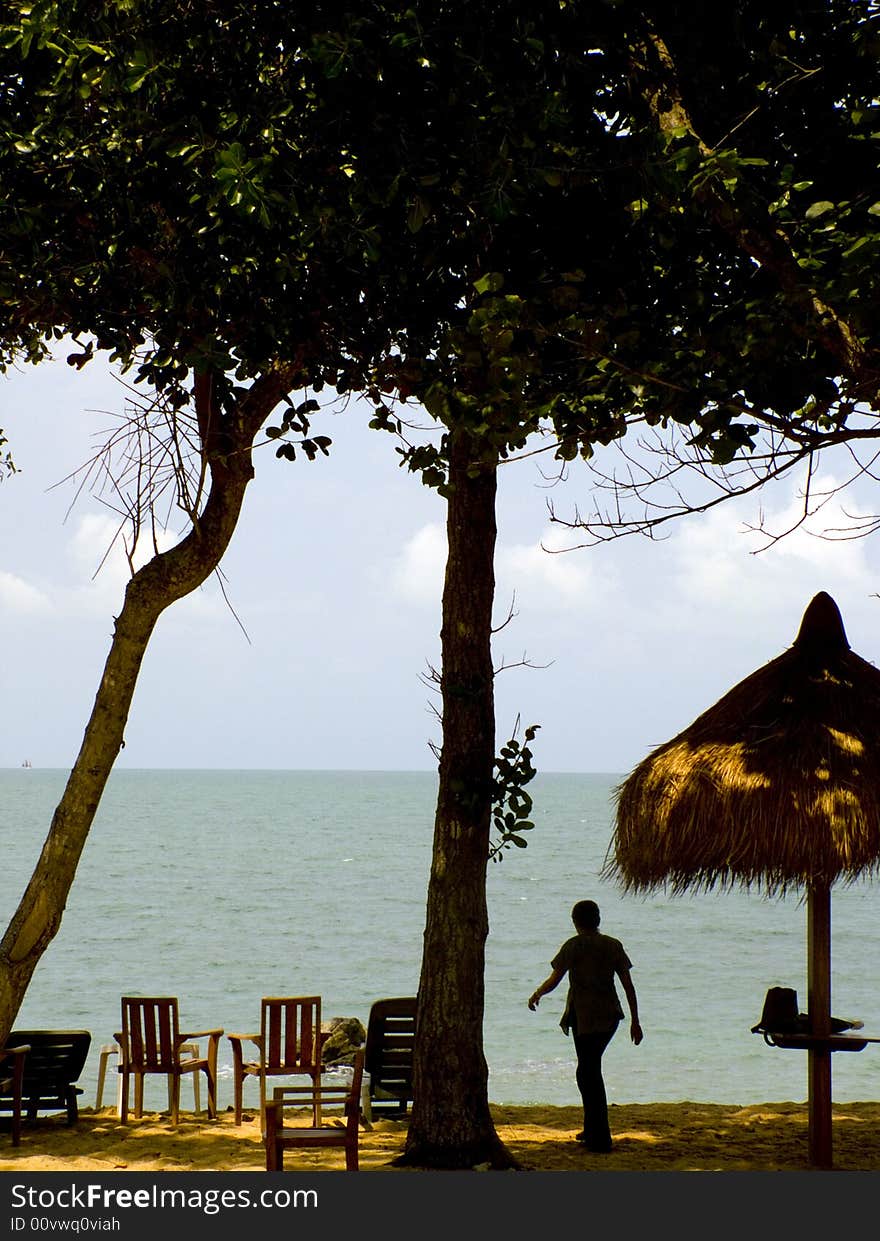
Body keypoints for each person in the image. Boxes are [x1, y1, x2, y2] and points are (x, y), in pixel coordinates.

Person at [528, 898, 642, 1152]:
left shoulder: (573, 946)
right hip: (609, 1017)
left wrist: (537, 993)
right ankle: (592, 1128)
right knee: (588, 1071)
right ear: (598, 920)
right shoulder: (612, 945)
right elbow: (628, 985)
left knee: (589, 1073)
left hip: (585, 1018)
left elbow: (555, 979)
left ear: (575, 922)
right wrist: (635, 1020)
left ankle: (601, 1137)